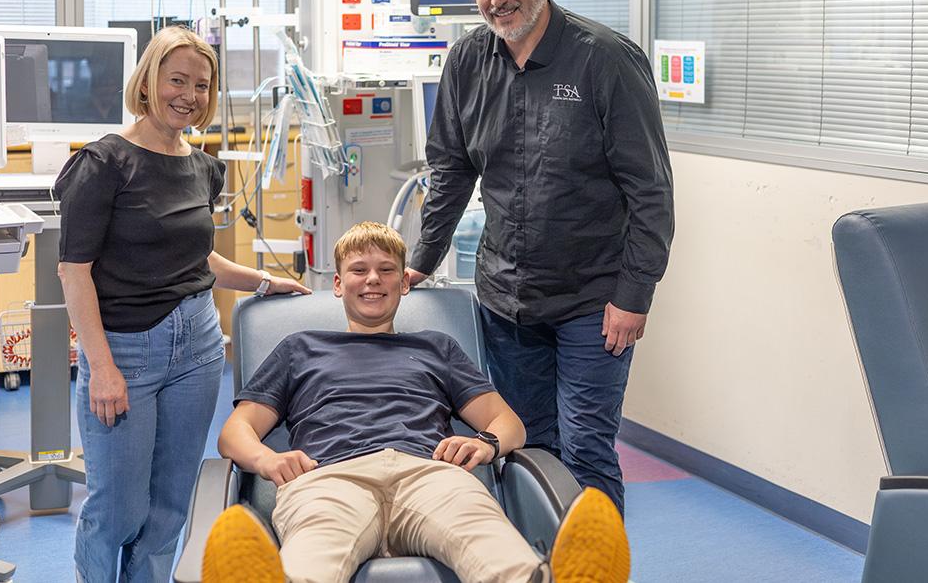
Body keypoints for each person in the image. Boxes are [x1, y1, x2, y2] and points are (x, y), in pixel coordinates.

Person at [405, 0, 675, 515]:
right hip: (507, 301)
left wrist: (636, 293)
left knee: (585, 453)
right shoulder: (468, 60)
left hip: (593, 301)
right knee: (522, 446)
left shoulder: (605, 59)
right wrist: (419, 261)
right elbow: (450, 169)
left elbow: (650, 189)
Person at [199, 222, 631, 583]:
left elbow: (508, 422)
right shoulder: (300, 348)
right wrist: (266, 461)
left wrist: (486, 443)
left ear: (405, 283)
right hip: (330, 478)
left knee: (492, 546)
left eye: (387, 270)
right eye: (359, 269)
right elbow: (236, 431)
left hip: (429, 474)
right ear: (337, 283)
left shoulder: (435, 347)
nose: (373, 279)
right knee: (311, 558)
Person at [55, 25, 310, 582]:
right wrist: (101, 368)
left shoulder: (203, 167)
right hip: (125, 354)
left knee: (171, 505)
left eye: (201, 85)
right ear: (148, 81)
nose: (188, 95)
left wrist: (266, 282)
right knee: (116, 510)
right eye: (177, 80)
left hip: (197, 349)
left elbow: (200, 259)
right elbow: (73, 273)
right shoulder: (103, 165)